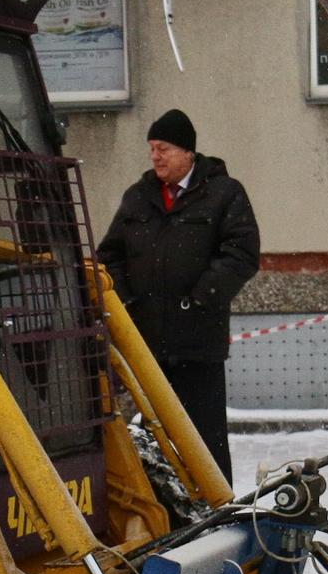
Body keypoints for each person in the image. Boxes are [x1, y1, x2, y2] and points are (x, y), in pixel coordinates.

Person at [96, 107, 260, 486]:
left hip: (196, 343)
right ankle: (164, 508)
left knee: (204, 436)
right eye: (152, 148)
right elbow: (109, 257)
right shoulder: (138, 197)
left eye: (164, 148)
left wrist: (202, 298)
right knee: (151, 434)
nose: (155, 156)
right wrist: (128, 301)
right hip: (146, 343)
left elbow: (242, 253)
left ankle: (215, 505)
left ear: (188, 152)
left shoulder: (223, 193)